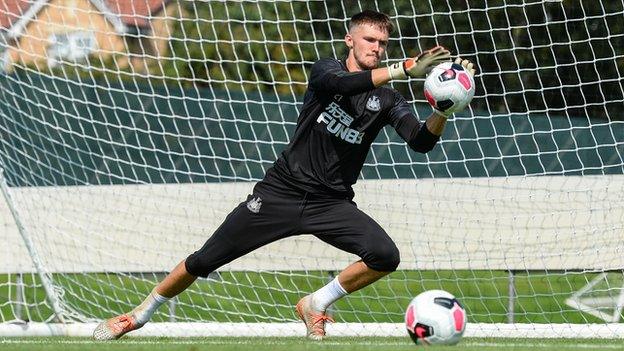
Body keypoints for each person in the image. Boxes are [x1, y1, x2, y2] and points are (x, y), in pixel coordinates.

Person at [93, 9, 476, 341]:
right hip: (280, 193)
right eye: (370, 39)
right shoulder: (326, 70)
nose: (377, 47)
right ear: (350, 40)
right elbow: (343, 85)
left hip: (330, 203)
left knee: (384, 255)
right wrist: (406, 67)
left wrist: (445, 108)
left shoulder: (388, 98)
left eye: (383, 43)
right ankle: (139, 314)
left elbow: (420, 141)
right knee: (203, 260)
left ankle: (316, 304)